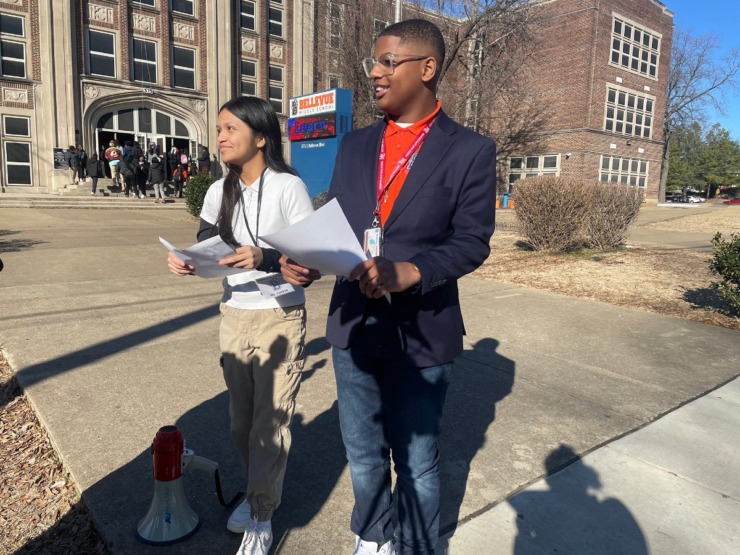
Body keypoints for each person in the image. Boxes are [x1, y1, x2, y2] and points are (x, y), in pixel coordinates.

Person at [280, 19, 496, 555]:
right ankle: (373, 535)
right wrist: (306, 259)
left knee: (418, 459)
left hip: (423, 331)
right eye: (372, 63)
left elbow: (473, 241)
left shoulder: (470, 150)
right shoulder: (355, 145)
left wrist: (412, 271)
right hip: (354, 323)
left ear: (427, 68)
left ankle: (418, 544)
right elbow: (340, 218)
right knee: (362, 449)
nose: (375, 73)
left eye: (387, 62)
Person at [167, 96, 314, 555]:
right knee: (240, 423)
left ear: (261, 137)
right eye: (218, 129)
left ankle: (261, 513)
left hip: (279, 314)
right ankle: (256, 494)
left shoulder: (288, 187)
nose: (221, 137)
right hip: (233, 313)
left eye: (231, 128)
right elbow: (207, 242)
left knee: (269, 423)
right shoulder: (218, 189)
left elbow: (310, 254)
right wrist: (189, 261)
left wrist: (266, 257)